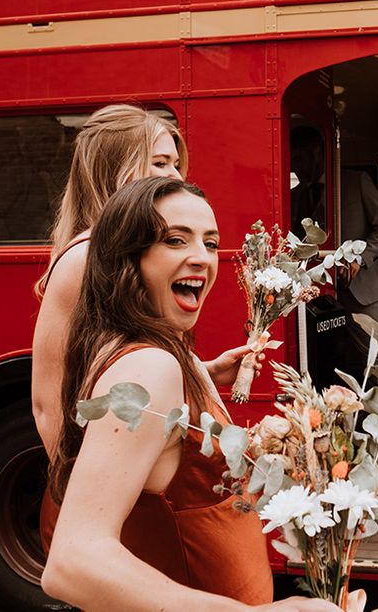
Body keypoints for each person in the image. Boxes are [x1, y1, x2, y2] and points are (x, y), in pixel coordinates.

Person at [40, 176, 338, 611]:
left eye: (211, 243)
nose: (201, 257)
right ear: (128, 256)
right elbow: (73, 562)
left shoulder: (164, 352)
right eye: (175, 240)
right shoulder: (150, 366)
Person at [32, 104, 247, 460]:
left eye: (176, 164)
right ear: (114, 170)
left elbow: (117, 363)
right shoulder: (85, 256)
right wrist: (80, 490)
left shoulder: (137, 251)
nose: (177, 177)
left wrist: (202, 371)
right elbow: (48, 404)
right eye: (160, 163)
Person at [338, 168, 378, 375]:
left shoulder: (357, 179)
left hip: (361, 288)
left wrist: (360, 258)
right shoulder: (299, 187)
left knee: (375, 358)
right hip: (319, 291)